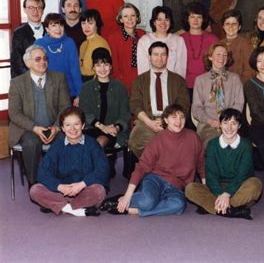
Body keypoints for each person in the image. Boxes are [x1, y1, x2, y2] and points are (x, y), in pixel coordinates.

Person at [106, 104, 205, 216]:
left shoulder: (193, 138)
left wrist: (205, 190)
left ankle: (138, 211)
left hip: (177, 186)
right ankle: (122, 199)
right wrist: (127, 195)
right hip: (156, 179)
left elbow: (201, 165)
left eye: (181, 117)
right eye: (174, 117)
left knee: (178, 205)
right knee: (147, 202)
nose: (178, 121)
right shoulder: (158, 140)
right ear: (166, 120)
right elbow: (142, 167)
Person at [29, 107, 109, 216]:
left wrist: (81, 185)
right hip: (62, 191)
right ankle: (75, 210)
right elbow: (43, 172)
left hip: (84, 189)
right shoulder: (57, 146)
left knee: (99, 191)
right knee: (35, 190)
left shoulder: (92, 144)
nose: (73, 129)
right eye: (68, 125)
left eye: (76, 124)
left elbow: (103, 169)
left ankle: (60, 206)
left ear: (83, 125)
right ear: (62, 128)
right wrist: (59, 186)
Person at [8, 45, 70, 186]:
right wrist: (34, 128)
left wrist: (55, 127)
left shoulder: (59, 78)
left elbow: (65, 107)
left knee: (67, 139)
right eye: (38, 59)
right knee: (31, 143)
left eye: (45, 58)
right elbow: (14, 113)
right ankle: (35, 184)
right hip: (28, 129)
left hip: (54, 125)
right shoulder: (17, 83)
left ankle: (58, 181)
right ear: (28, 63)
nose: (43, 62)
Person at [185, 108, 262, 219]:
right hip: (217, 189)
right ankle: (233, 210)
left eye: (233, 124)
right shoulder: (212, 145)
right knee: (190, 188)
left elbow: (242, 176)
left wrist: (227, 194)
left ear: (239, 126)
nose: (229, 128)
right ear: (220, 125)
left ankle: (213, 207)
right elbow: (211, 175)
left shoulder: (246, 145)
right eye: (225, 123)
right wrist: (221, 194)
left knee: (256, 184)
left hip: (240, 188)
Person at [129, 41, 189, 157]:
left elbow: (183, 106)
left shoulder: (179, 81)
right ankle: (160, 170)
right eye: (155, 54)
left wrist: (165, 121)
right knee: (138, 142)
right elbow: (135, 104)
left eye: (163, 54)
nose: (159, 58)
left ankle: (161, 171)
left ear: (167, 57)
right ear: (149, 57)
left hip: (172, 122)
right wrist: (149, 122)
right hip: (147, 121)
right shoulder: (139, 80)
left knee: (173, 145)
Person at [79, 48, 131, 177]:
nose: (102, 69)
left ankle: (96, 176)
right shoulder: (86, 88)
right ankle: (93, 172)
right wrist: (101, 126)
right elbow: (84, 112)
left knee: (100, 142)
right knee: (84, 142)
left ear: (111, 66)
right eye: (98, 65)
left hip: (113, 129)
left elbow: (125, 113)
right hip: (92, 127)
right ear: (93, 68)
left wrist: (117, 127)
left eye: (106, 64)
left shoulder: (120, 87)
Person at [192, 42, 244, 149]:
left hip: (231, 124)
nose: (222, 57)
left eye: (225, 55)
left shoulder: (235, 78)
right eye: (218, 54)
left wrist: (228, 122)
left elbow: (239, 103)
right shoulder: (200, 80)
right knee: (214, 145)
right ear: (210, 57)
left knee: (236, 146)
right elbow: (196, 108)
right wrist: (211, 121)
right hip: (208, 125)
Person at [35, 13, 82, 105]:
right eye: (54, 25)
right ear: (47, 29)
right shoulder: (39, 44)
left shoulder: (69, 42)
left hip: (68, 90)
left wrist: (80, 93)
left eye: (61, 25)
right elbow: (35, 70)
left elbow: (75, 69)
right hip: (46, 91)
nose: (58, 28)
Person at [137, 6, 187, 78]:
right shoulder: (144, 40)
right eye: (159, 19)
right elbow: (142, 69)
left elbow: (181, 68)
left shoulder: (178, 40)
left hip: (172, 84)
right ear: (154, 22)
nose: (163, 23)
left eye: (166, 20)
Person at [181, 2, 219, 95]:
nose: (195, 20)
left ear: (203, 19)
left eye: (199, 17)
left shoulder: (213, 39)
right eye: (192, 17)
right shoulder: (180, 39)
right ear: (187, 19)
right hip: (185, 85)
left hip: (208, 84)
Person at [107, 3, 145, 93]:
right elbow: (114, 65)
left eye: (133, 15)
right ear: (121, 19)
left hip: (141, 79)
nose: (130, 19)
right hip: (122, 81)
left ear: (137, 18)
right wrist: (120, 83)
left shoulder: (142, 34)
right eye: (125, 16)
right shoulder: (114, 38)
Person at [11, 0, 46, 77]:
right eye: (31, 8)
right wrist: (35, 78)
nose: (35, 11)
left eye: (39, 7)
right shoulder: (18, 33)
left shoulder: (50, 29)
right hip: (27, 80)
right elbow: (17, 63)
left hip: (50, 79)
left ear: (43, 10)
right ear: (25, 10)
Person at [220, 9, 254, 84]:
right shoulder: (219, 44)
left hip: (239, 86)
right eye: (227, 24)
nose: (231, 26)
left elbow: (249, 70)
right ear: (223, 26)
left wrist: (236, 85)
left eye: (234, 24)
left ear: (239, 27)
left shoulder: (245, 44)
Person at [79, 9, 111, 81]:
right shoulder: (83, 44)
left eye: (90, 23)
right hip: (83, 80)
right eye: (83, 23)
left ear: (97, 25)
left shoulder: (100, 43)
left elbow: (104, 69)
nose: (86, 27)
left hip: (95, 81)